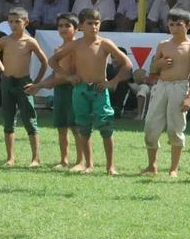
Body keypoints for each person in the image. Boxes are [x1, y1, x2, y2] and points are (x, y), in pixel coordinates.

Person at [50, 9, 131, 175]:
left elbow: (127, 64)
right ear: (81, 26)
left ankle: (111, 166)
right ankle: (88, 164)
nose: (94, 27)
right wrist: (68, 76)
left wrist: (112, 82)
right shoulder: (75, 44)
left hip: (99, 89)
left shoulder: (104, 43)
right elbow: (53, 60)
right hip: (80, 90)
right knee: (83, 126)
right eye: (89, 23)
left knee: (106, 126)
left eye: (96, 23)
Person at [141, 8, 190, 178]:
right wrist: (159, 63)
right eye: (171, 24)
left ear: (188, 26)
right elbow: (152, 69)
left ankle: (173, 168)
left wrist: (189, 97)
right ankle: (152, 165)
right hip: (161, 86)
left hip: (180, 87)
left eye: (178, 25)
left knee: (175, 128)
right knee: (150, 126)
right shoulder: (163, 44)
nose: (174, 28)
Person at [26, 12, 81, 169]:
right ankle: (64, 160)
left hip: (73, 90)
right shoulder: (59, 49)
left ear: (76, 29)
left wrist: (41, 85)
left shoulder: (77, 48)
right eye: (60, 26)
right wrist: (39, 84)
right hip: (60, 91)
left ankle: (80, 161)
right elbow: (56, 74)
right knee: (61, 127)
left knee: (75, 127)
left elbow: (69, 76)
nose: (63, 29)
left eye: (67, 26)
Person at [0, 8, 48, 167]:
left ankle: (35, 158)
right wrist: (2, 69)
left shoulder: (30, 41)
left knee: (29, 119)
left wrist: (36, 83)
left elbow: (44, 62)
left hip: (23, 83)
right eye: (10, 21)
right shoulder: (4, 40)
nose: (13, 25)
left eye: (17, 21)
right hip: (7, 82)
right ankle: (10, 158)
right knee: (8, 120)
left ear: (26, 22)